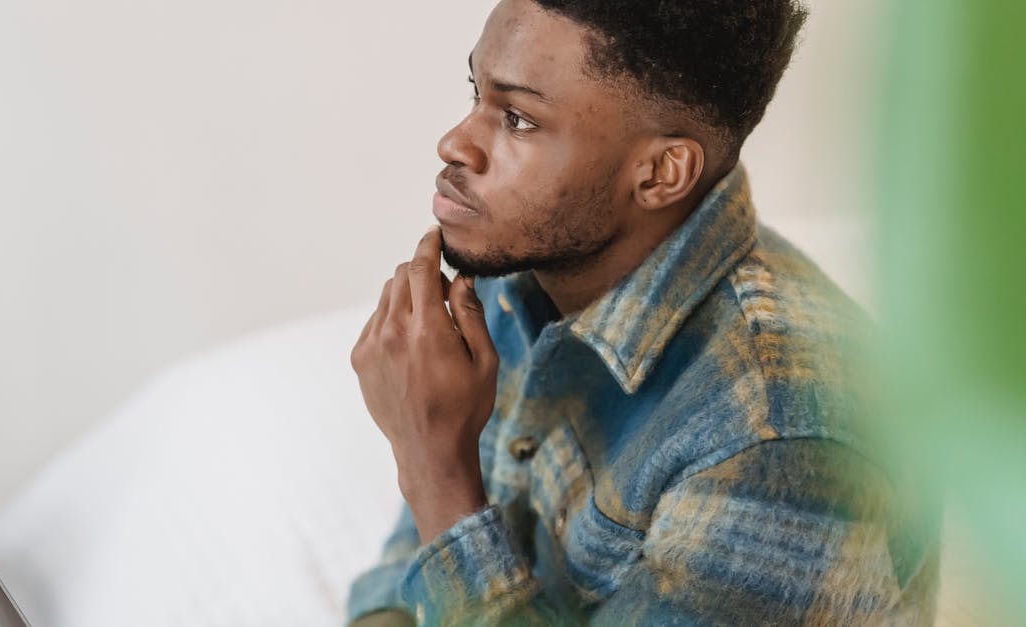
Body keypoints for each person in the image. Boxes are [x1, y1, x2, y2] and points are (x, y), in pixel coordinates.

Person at [346, 0, 938, 625]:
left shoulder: (778, 437)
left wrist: (436, 472)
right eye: (477, 93)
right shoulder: (524, 259)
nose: (455, 143)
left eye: (518, 118)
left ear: (659, 174)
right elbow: (408, 583)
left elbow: (442, 514)